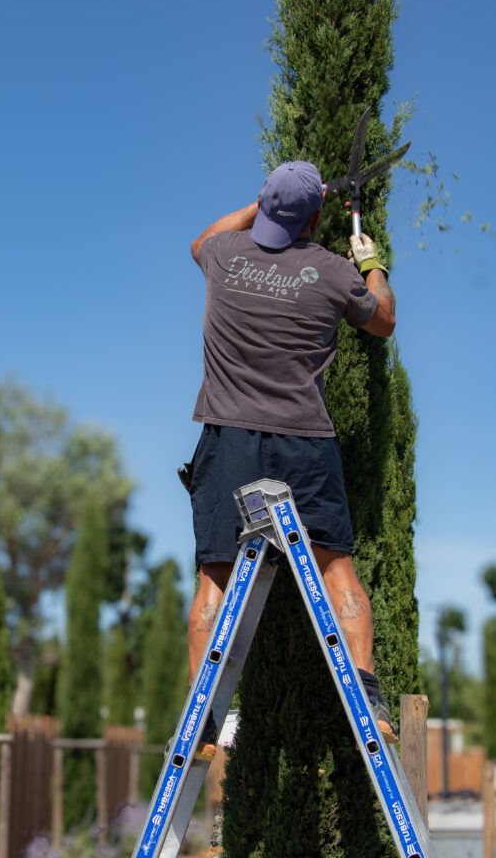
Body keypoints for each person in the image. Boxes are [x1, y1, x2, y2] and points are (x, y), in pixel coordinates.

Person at [186, 160, 397, 761]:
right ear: (317, 217)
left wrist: (262, 205)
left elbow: (199, 239)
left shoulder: (223, 256)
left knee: (215, 576)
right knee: (336, 570)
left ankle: (202, 717)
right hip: (304, 441)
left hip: (228, 439)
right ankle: (369, 702)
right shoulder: (331, 272)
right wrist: (370, 261)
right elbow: (382, 321)